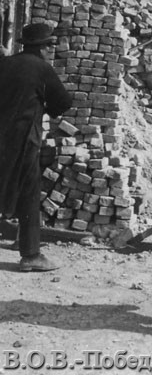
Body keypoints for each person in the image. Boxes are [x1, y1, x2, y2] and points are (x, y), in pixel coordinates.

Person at [0, 22, 72, 272]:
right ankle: (30, 254)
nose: (52, 50)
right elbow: (63, 102)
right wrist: (46, 107)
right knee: (29, 190)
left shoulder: (5, 64)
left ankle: (18, 239)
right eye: (50, 46)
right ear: (43, 47)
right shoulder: (42, 69)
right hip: (24, 139)